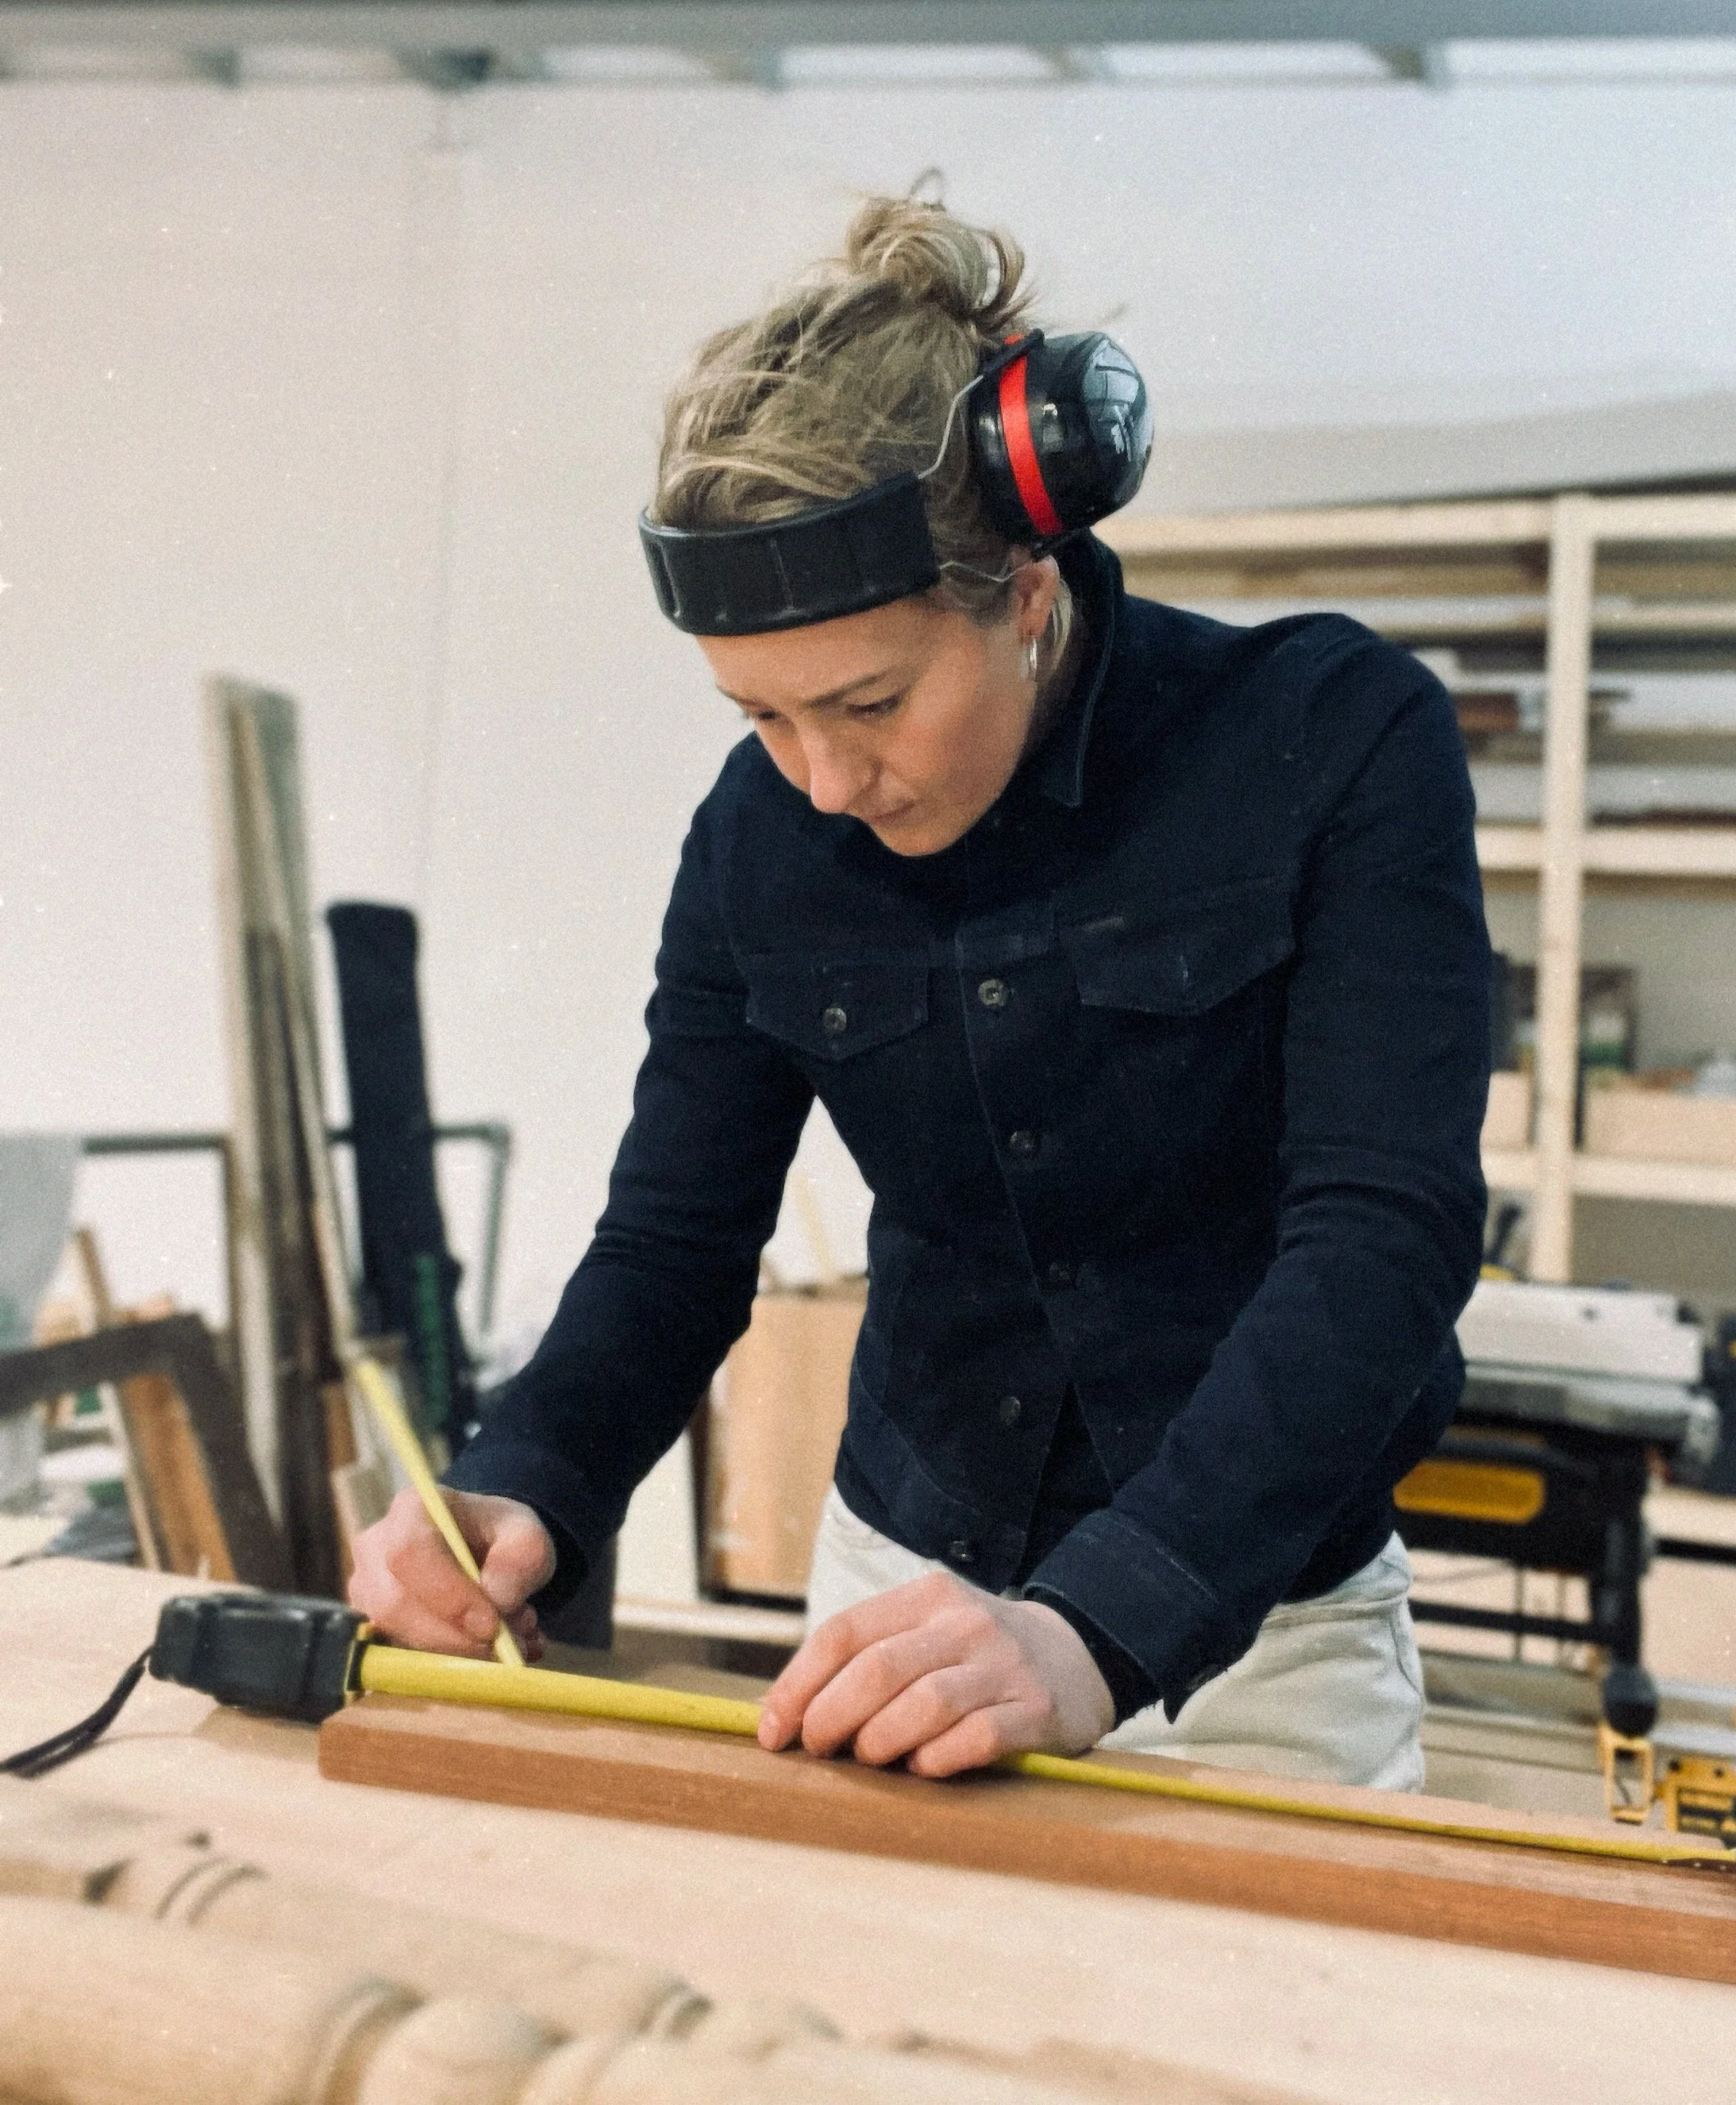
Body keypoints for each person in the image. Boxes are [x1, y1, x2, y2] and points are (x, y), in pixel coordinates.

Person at [349, 194, 1491, 1791]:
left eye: (868, 703)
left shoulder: (1329, 740)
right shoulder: (759, 840)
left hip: (1247, 1642)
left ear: (1025, 588)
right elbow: (675, 1240)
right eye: (761, 718)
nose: (820, 782)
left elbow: (1383, 1238)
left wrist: (1099, 1625)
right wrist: (525, 1480)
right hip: (897, 1602)